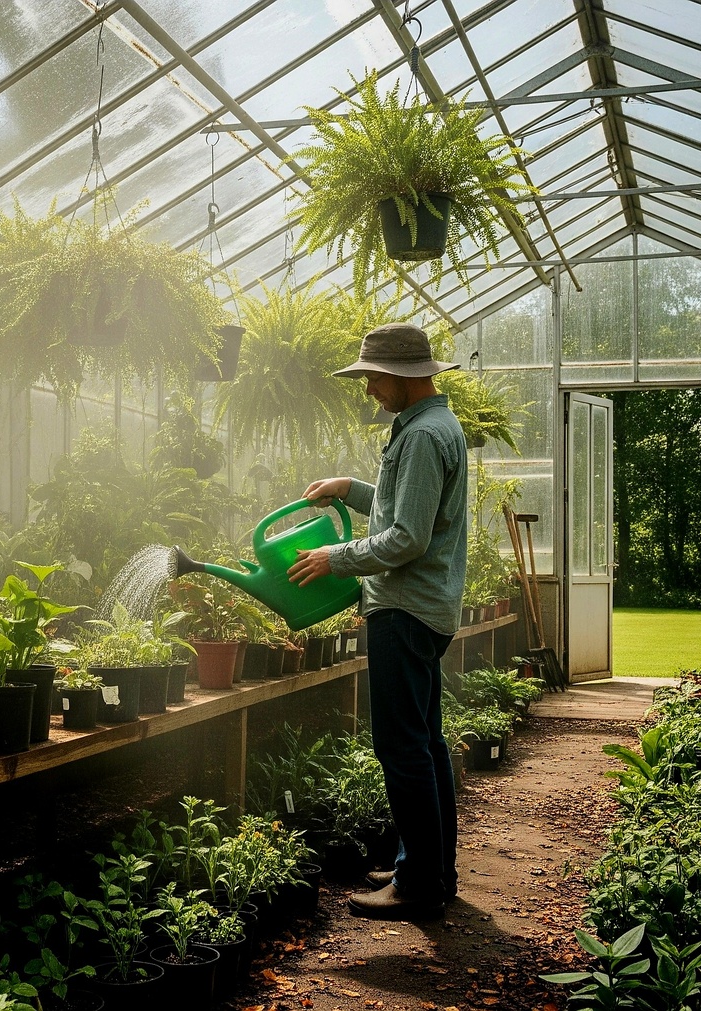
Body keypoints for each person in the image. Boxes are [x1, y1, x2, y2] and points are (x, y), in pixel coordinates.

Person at [286, 321, 468, 920]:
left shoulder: (422, 437)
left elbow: (407, 537)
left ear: (400, 375)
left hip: (404, 608)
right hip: (426, 607)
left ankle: (418, 885)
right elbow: (406, 506)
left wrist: (334, 558)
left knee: (402, 747)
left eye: (372, 377)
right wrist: (352, 488)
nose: (368, 389)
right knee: (426, 744)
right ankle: (432, 868)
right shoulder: (431, 426)